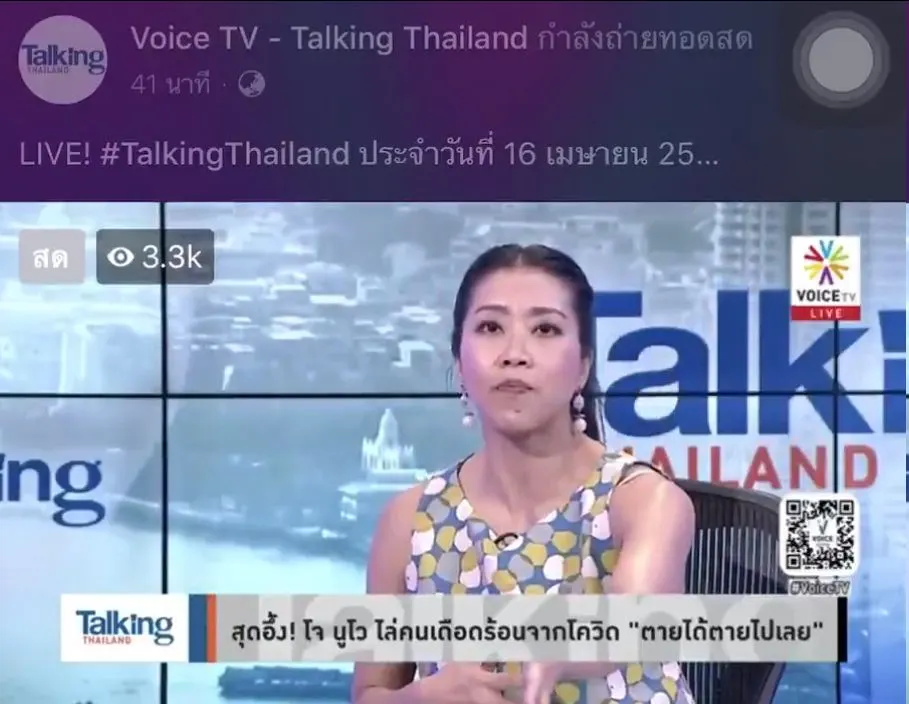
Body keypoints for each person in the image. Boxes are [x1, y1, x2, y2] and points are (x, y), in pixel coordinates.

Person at [352, 244, 696, 704]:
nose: (515, 353)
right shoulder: (408, 520)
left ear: (583, 366)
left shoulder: (643, 499)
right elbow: (372, 693)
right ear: (459, 362)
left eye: (545, 329)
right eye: (491, 327)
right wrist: (424, 696)